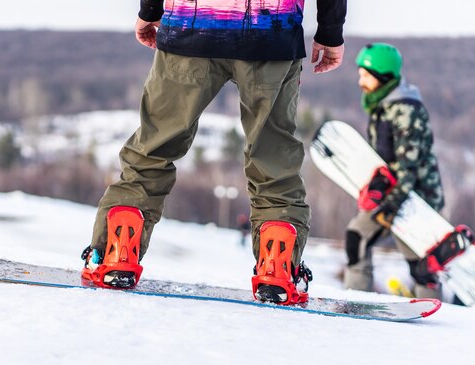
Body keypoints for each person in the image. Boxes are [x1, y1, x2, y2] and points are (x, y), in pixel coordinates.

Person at [81, 0, 346, 305]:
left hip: (191, 24)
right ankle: (277, 270)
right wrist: (330, 29)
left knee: (153, 150)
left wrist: (150, 11)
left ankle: (117, 253)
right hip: (272, 30)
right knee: (273, 157)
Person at [344, 43, 446, 299]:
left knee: (420, 263)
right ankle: (358, 300)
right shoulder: (384, 105)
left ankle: (432, 309)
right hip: (393, 193)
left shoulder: (406, 110)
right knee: (357, 237)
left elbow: (407, 168)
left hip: (415, 198)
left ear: (384, 77)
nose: (360, 81)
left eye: (366, 75)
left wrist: (389, 206)